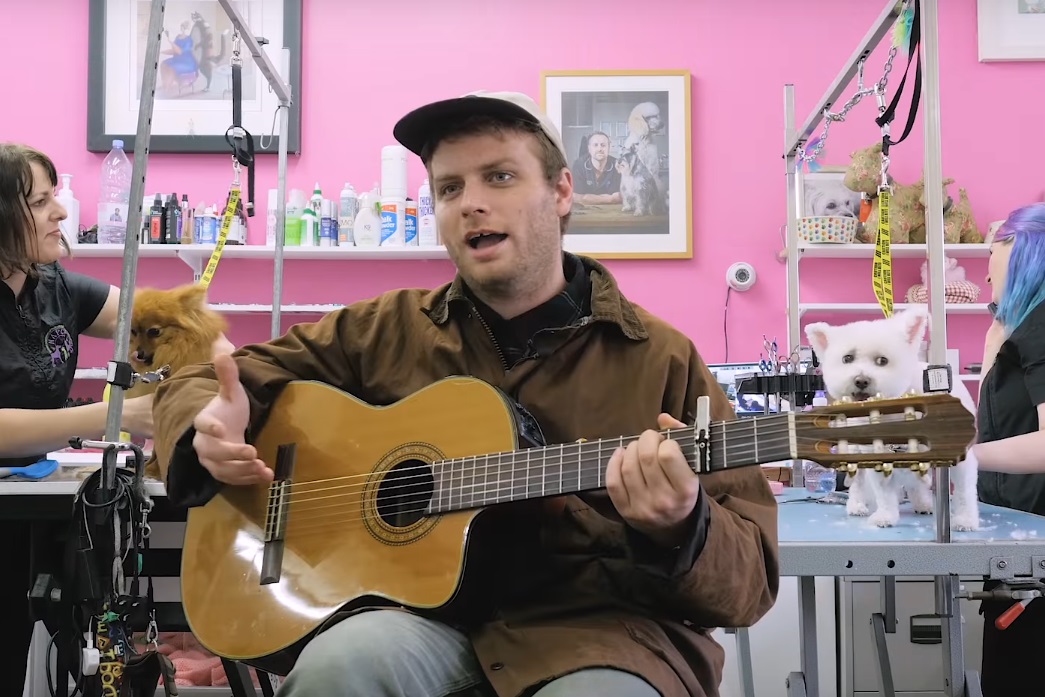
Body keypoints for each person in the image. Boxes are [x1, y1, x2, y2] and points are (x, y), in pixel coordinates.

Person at [152, 90, 779, 697]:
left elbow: (751, 580)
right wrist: (206, 423)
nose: (471, 204)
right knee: (337, 671)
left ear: (561, 192)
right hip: (417, 622)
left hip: (601, 633)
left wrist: (681, 526)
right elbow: (204, 379)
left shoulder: (661, 356)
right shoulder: (381, 329)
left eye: (500, 177)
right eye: (449, 188)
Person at [0, 143, 155, 696]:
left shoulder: (56, 287)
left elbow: (157, 320)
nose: (61, 212)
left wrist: (212, 356)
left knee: (94, 657)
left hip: (49, 506)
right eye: (41, 202)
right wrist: (114, 413)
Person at [957, 202, 1045, 696]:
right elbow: (991, 430)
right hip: (1017, 560)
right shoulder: (1021, 331)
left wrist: (962, 462)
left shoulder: (1042, 328)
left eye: (995, 248)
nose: (985, 272)